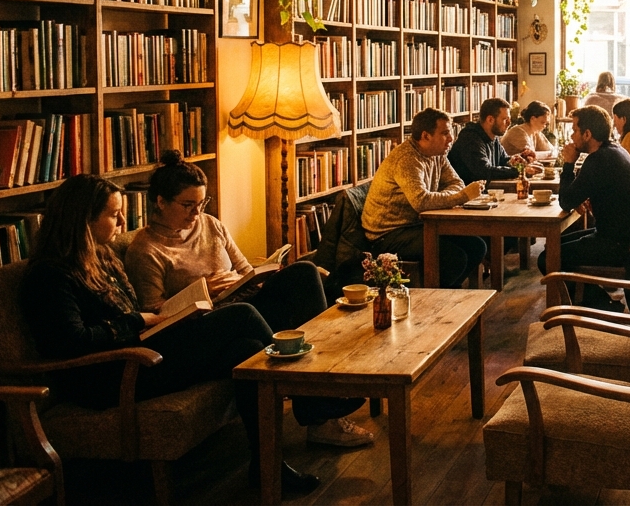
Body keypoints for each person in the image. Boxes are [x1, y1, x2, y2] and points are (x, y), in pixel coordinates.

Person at [21, 175, 323, 493]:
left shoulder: (100, 257)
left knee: (244, 348)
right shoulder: (49, 275)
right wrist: (137, 321)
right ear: (83, 218)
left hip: (141, 352)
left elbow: (130, 315)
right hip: (115, 375)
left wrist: (165, 318)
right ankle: (310, 397)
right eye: (113, 213)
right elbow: (69, 342)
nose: (123, 220)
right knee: (242, 317)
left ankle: (267, 467)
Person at [123, 152, 373, 448]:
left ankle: (325, 378)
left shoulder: (211, 225)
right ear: (161, 202)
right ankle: (317, 406)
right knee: (248, 317)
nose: (196, 213)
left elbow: (244, 270)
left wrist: (262, 275)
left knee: (304, 272)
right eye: (187, 205)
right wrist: (206, 291)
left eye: (202, 204)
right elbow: (156, 312)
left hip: (244, 301)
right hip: (208, 326)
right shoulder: (146, 249)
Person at [362, 108, 487, 288]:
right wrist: (461, 197)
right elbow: (421, 201)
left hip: (418, 224)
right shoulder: (407, 159)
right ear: (425, 136)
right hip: (389, 233)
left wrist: (449, 195)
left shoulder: (438, 154)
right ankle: (437, 299)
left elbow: (456, 182)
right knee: (454, 257)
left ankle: (447, 293)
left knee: (477, 247)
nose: (451, 139)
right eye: (445, 133)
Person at [537, 106, 630, 276]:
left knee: (547, 257)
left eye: (575, 130)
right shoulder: (614, 151)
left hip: (619, 245)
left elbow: (566, 202)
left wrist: (568, 164)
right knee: (554, 244)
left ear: (587, 134)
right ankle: (590, 298)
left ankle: (597, 302)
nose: (572, 136)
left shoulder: (598, 161)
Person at [450, 97, 542, 184]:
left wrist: (521, 160)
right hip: (468, 197)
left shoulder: (494, 137)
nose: (509, 124)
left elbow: (504, 160)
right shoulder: (470, 138)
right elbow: (484, 171)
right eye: (505, 119)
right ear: (490, 120)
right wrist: (520, 170)